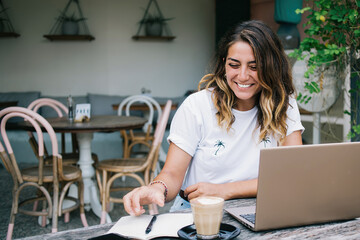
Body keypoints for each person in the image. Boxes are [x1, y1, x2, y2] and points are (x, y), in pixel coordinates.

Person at [123, 20, 304, 216]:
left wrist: (224, 190)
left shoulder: (285, 105)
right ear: (224, 63)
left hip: (260, 209)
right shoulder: (197, 106)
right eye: (234, 65)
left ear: (271, 66)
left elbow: (291, 175)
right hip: (197, 211)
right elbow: (173, 174)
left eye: (254, 66)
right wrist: (157, 188)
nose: (242, 76)